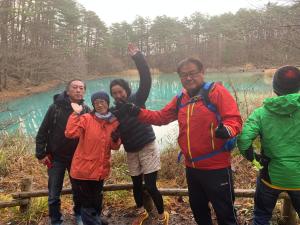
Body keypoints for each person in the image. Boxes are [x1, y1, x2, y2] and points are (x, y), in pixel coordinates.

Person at [119, 57, 243, 225]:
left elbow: (234, 119)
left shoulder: (215, 91)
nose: (188, 78)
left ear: (202, 72)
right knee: (199, 210)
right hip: (192, 168)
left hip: (217, 167)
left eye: (192, 73)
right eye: (184, 75)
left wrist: (227, 129)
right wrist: (137, 112)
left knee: (225, 213)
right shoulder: (180, 98)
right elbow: (161, 117)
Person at [110, 43, 169, 225]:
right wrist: (114, 135)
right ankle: (143, 211)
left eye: (120, 91)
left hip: (147, 146)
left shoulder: (137, 99)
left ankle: (161, 215)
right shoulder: (115, 111)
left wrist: (138, 57)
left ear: (127, 90)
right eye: (114, 93)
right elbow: (112, 127)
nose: (118, 95)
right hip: (131, 150)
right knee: (136, 184)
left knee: (150, 185)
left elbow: (146, 79)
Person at [238, 66, 300, 225]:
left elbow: (244, 141)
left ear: (274, 88)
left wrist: (255, 160)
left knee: (261, 217)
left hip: (270, 177)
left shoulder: (261, 113)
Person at [35, 79, 90, 225]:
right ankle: (55, 220)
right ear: (67, 91)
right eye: (75, 87)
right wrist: (40, 154)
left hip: (77, 158)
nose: (78, 90)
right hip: (56, 158)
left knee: (78, 190)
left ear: (84, 91)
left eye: (81, 88)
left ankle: (78, 214)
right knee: (53, 193)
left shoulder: (86, 109)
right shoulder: (55, 108)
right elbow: (42, 132)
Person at [65, 91, 121, 225]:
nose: (99, 105)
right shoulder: (86, 118)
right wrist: (75, 114)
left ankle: (96, 219)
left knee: (97, 199)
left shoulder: (113, 122)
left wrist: (116, 139)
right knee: (87, 203)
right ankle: (93, 221)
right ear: (93, 105)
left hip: (100, 170)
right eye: (96, 103)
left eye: (102, 101)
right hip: (83, 170)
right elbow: (70, 133)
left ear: (107, 103)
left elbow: (115, 147)